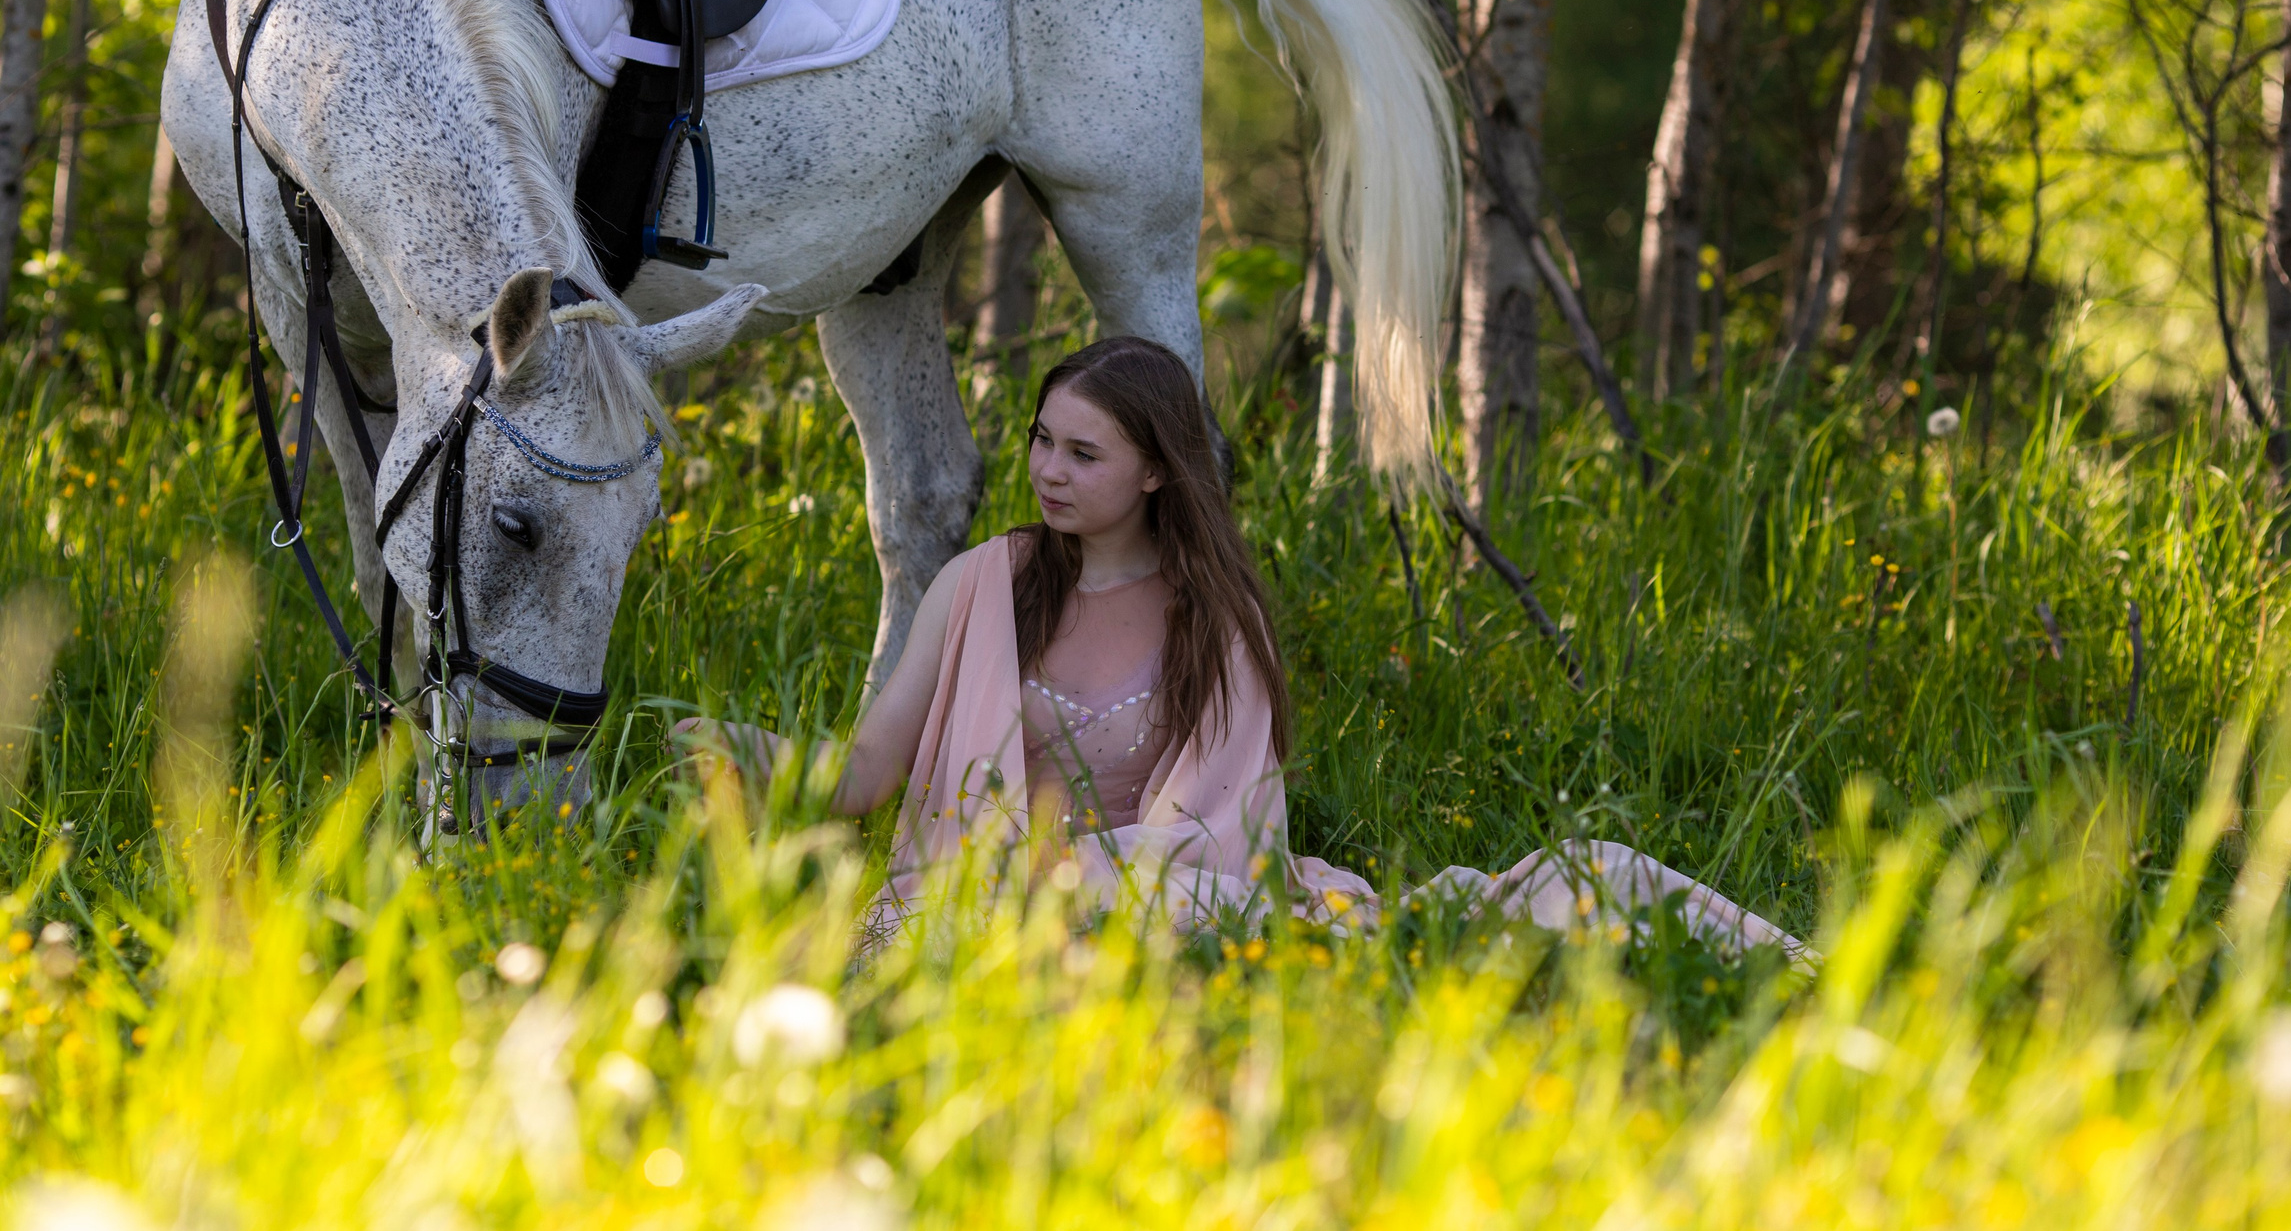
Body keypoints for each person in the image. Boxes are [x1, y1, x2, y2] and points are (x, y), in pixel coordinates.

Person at [676, 336, 1804, 960]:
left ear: (1157, 469)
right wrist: (754, 758)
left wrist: (1095, 884)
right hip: (976, 900)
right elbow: (867, 777)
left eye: (1083, 453)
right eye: (1040, 441)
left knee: (1569, 885)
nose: (1047, 471)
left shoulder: (1217, 617)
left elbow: (1213, 833)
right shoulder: (984, 583)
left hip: (1168, 894)